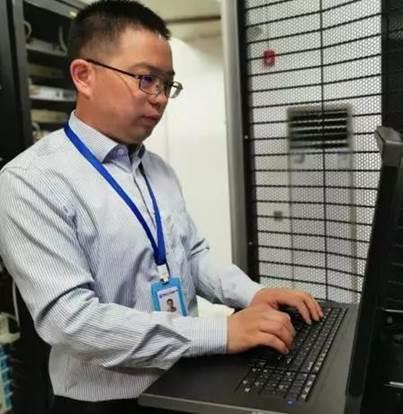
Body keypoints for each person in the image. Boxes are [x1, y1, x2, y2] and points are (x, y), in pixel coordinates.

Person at [0, 1, 323, 413]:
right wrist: (221, 333)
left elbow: (193, 255)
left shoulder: (157, 169)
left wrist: (254, 294)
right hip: (106, 403)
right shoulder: (32, 180)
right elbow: (71, 320)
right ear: (84, 76)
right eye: (145, 79)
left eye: (167, 84)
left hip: (183, 380)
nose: (160, 99)